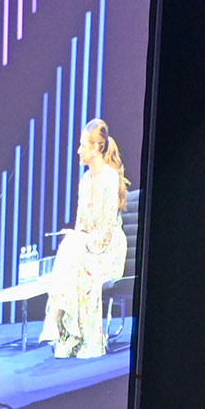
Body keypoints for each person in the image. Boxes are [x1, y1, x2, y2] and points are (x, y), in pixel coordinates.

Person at [39, 118, 129, 360]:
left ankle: (57, 322)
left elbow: (106, 232)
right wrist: (77, 237)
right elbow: (82, 224)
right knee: (70, 249)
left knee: (72, 250)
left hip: (109, 250)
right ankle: (70, 335)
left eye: (82, 146)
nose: (78, 150)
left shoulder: (109, 179)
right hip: (88, 248)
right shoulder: (85, 180)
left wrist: (80, 241)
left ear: (97, 148)